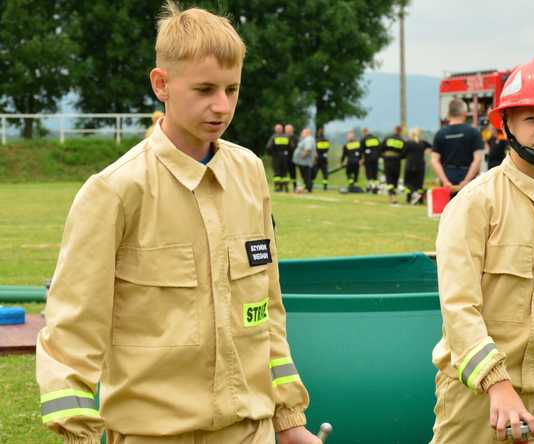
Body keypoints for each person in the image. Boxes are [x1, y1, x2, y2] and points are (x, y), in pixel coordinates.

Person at [35, 3, 321, 444]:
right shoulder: (114, 191)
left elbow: (266, 312)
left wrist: (288, 419)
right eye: (205, 89)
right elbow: (71, 332)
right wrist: (78, 434)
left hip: (252, 431)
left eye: (232, 89)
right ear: (161, 84)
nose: (221, 106)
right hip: (154, 434)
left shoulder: (250, 174)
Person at [430, 53, 534, 444]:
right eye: (532, 118)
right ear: (506, 125)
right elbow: (459, 309)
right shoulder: (474, 203)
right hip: (478, 396)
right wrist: (496, 383)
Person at [431, 99, 484, 194]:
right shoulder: (474, 132)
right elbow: (477, 159)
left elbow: (435, 160)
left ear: (449, 114)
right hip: (468, 175)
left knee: (449, 208)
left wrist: (445, 181)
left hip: (447, 175)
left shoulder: (440, 134)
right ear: (464, 113)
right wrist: (467, 180)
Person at [403, 128, 431, 204]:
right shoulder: (423, 143)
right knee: (419, 184)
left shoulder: (408, 143)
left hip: (410, 165)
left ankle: (409, 199)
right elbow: (432, 148)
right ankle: (420, 200)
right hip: (420, 166)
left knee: (408, 183)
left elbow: (403, 154)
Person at [381, 125, 406, 204]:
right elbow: (404, 152)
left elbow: (381, 149)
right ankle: (393, 197)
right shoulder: (402, 141)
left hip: (387, 160)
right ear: (400, 131)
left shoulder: (388, 138)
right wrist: (399, 157)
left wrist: (383, 157)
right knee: (395, 178)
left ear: (394, 130)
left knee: (389, 178)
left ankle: (392, 198)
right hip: (397, 161)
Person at [266, 123, 292, 192]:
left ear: (275, 130)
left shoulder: (274, 137)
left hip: (276, 157)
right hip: (285, 157)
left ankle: (277, 188)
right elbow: (291, 147)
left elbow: (268, 147)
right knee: (285, 173)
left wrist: (272, 154)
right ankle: (286, 187)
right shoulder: (286, 136)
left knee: (277, 172)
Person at [293, 128, 316, 193]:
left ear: (306, 133)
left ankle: (308, 188)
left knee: (306, 176)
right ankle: (307, 187)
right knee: (305, 176)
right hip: (304, 162)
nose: (301, 134)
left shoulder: (308, 139)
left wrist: (302, 156)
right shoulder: (307, 139)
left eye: (302, 133)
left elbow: (308, 149)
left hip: (305, 162)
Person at [360, 128, 382, 193]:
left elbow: (361, 150)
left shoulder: (363, 139)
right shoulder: (376, 138)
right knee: (375, 173)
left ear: (364, 132)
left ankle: (371, 187)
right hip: (376, 158)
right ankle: (376, 187)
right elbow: (380, 148)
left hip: (368, 158)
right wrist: (379, 156)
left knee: (369, 173)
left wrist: (361, 159)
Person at [285, 124, 298, 191]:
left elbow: (297, 147)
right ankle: (285, 187)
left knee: (293, 173)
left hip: (293, 158)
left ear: (292, 130)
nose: (288, 131)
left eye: (289, 130)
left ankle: (295, 186)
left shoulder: (295, 138)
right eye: (287, 130)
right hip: (285, 159)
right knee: (285, 174)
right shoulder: (284, 137)